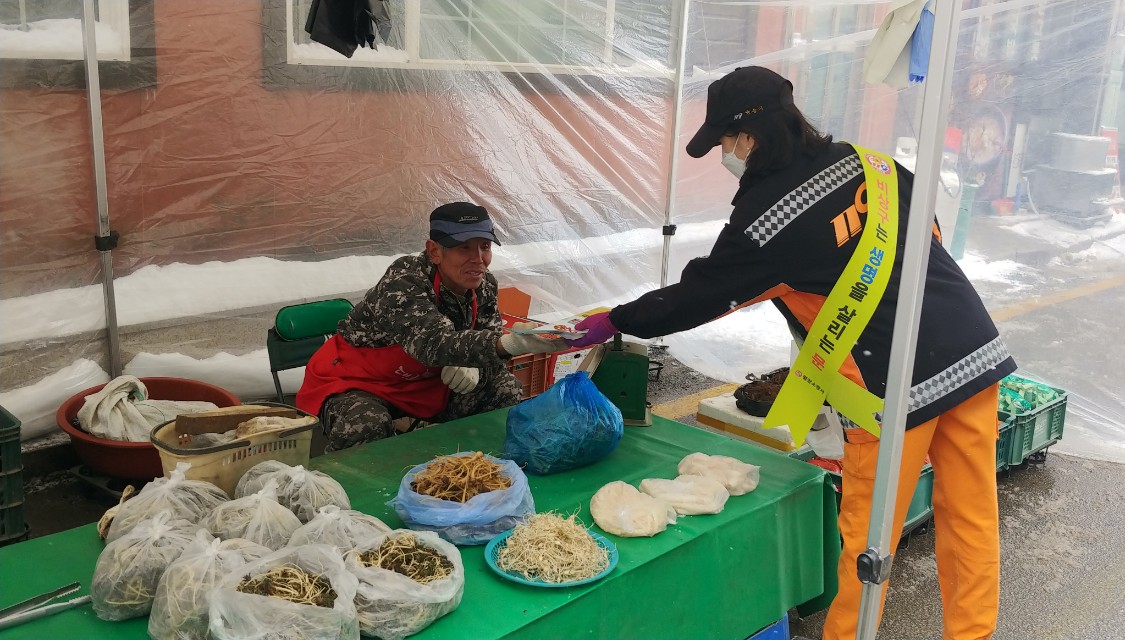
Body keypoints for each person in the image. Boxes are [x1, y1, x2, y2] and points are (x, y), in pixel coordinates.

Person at [565, 66, 1014, 640]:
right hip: (973, 350)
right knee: (972, 514)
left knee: (868, 539)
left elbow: (700, 296)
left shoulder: (769, 217)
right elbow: (928, 229)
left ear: (750, 136)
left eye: (727, 141)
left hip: (889, 387)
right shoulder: (868, 163)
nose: (726, 154)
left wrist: (615, 319)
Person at [295, 202, 566, 452]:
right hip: (360, 382)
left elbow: (491, 351)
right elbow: (432, 343)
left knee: (503, 388)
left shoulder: (484, 286)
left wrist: (477, 368)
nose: (478, 259)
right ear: (435, 251)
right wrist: (508, 343)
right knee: (364, 424)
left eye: (484, 247)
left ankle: (473, 464)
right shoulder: (404, 280)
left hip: (426, 383)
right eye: (464, 248)